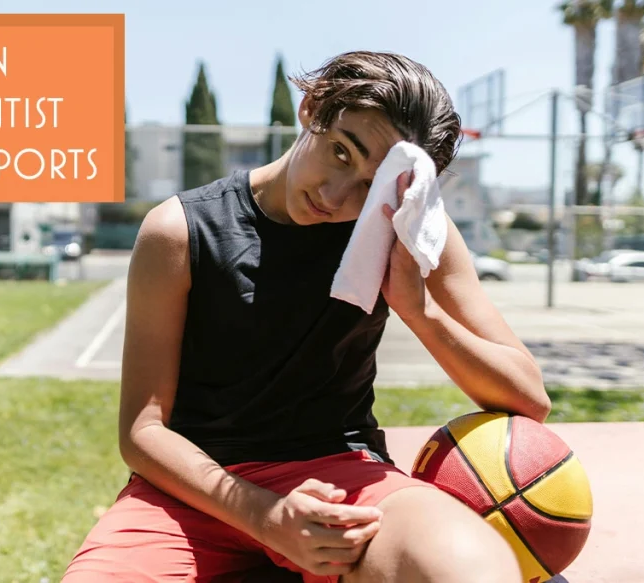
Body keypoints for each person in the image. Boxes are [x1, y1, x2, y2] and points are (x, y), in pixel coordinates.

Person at [63, 50, 551, 583]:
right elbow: (143, 429)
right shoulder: (182, 230)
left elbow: (528, 397)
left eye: (371, 184)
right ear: (312, 108)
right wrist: (266, 517)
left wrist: (419, 309)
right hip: (192, 489)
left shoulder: (405, 232)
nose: (335, 195)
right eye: (342, 152)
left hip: (340, 475)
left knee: (467, 570)